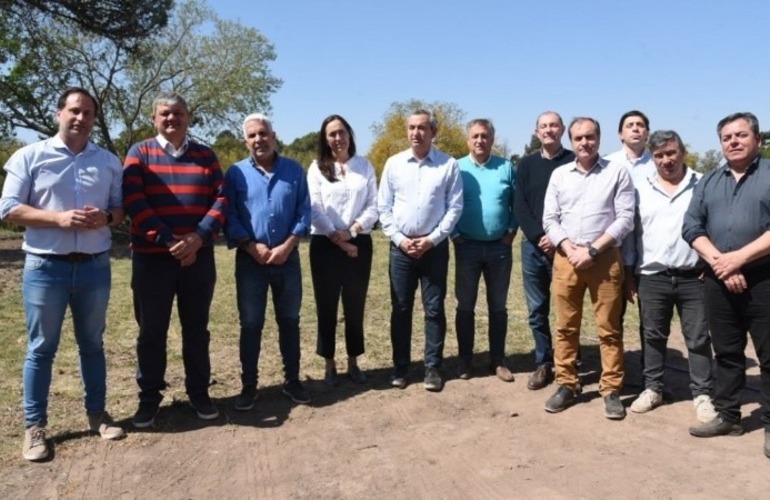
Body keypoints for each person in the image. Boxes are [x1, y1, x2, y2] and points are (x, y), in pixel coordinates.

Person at [0, 87, 125, 461]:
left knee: (93, 344)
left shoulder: (108, 161)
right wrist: (58, 218)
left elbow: (119, 210)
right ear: (59, 113)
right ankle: (35, 428)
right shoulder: (30, 156)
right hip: (45, 267)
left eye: (88, 113)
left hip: (94, 266)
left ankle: (97, 414)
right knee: (41, 348)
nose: (81, 118)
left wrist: (104, 218)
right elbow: (8, 208)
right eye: (74, 111)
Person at [123, 91, 226, 427]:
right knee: (151, 332)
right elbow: (134, 202)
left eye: (178, 113)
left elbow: (221, 200)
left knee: (197, 330)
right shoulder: (139, 153)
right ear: (154, 119)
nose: (172, 119)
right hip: (153, 260)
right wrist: (170, 241)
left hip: (199, 258)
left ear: (188, 118)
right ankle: (149, 398)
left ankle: (199, 392)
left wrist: (197, 238)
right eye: (165, 114)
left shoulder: (206, 155)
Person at [683, 112, 770, 459]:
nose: (733, 141)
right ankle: (729, 417)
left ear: (757, 140)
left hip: (764, 279)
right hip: (719, 281)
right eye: (726, 137)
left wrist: (739, 259)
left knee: (769, 356)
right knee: (728, 354)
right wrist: (722, 262)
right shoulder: (708, 181)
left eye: (740, 135)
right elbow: (691, 226)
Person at [542, 117, 634, 419]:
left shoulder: (617, 172)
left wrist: (593, 250)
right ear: (571, 140)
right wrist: (570, 249)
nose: (585, 143)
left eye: (590, 137)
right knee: (566, 327)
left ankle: (611, 389)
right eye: (579, 138)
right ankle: (567, 383)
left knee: (609, 328)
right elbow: (550, 220)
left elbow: (625, 219)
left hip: (604, 259)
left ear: (599, 138)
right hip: (567, 259)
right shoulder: (559, 175)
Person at [623, 130, 716, 422]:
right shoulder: (640, 187)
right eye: (660, 155)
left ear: (682, 152)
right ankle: (653, 389)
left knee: (699, 337)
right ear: (653, 158)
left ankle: (702, 394)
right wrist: (629, 273)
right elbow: (631, 235)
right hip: (652, 275)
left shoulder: (702, 184)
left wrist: (711, 265)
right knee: (652, 335)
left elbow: (714, 226)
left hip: (694, 276)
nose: (666, 160)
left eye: (671, 153)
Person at [225, 113, 311, 408]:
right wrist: (251, 246)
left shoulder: (294, 170)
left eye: (263, 134)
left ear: (274, 137)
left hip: (288, 259)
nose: (258, 140)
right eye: (252, 136)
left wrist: (288, 245)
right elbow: (230, 216)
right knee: (251, 324)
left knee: (290, 321)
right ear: (246, 141)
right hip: (251, 262)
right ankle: (249, 386)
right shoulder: (235, 174)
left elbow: (304, 212)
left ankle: (292, 381)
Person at [377, 109, 463, 392]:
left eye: (422, 128)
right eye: (412, 128)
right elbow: (384, 208)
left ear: (433, 132)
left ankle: (432, 368)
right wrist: (401, 239)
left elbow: (454, 208)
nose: (416, 133)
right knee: (401, 308)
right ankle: (401, 368)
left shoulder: (448, 165)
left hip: (433, 249)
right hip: (401, 249)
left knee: (434, 309)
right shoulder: (394, 164)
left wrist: (433, 239)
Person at [307, 115, 378, 386]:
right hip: (325, 244)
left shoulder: (364, 166)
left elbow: (374, 205)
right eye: (331, 134)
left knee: (355, 304)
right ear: (325, 140)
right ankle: (329, 362)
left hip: (359, 244)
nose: (338, 138)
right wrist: (338, 239)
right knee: (326, 305)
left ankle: (353, 361)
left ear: (349, 134)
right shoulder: (316, 168)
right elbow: (314, 207)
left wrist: (352, 233)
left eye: (341, 132)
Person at [513, 111, 575, 390]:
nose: (548, 130)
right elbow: (520, 205)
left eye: (553, 125)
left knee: (568, 308)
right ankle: (544, 362)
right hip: (534, 247)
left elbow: (579, 208)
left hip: (566, 247)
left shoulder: (575, 161)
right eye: (543, 126)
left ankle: (568, 362)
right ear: (537, 132)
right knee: (537, 309)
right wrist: (540, 236)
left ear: (562, 130)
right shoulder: (525, 165)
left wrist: (558, 238)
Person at [452, 118, 517, 382]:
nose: (480, 140)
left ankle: (497, 360)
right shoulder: (456, 168)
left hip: (499, 248)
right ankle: (465, 360)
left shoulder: (506, 167)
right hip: (466, 246)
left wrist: (511, 231)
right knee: (465, 306)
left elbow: (517, 202)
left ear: (492, 139)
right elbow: (447, 203)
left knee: (498, 306)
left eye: (485, 136)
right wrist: (454, 235)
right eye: (475, 136)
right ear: (468, 140)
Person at [604, 110, 655, 179]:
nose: (635, 129)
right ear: (621, 134)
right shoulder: (607, 163)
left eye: (640, 125)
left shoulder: (657, 162)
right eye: (629, 125)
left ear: (647, 133)